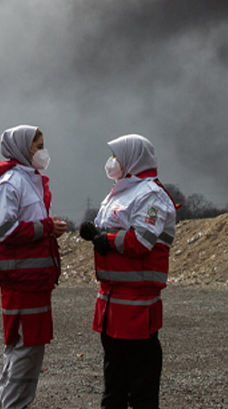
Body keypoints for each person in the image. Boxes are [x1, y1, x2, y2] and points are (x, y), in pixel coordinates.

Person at [79, 133, 178, 409]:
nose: (112, 162)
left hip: (137, 306)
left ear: (133, 159)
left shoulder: (151, 194)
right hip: (111, 303)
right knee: (114, 388)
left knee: (142, 389)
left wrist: (105, 240)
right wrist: (93, 233)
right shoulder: (119, 192)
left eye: (117, 157)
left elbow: (142, 240)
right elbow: (108, 231)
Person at [0, 125, 67, 409]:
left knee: (26, 355)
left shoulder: (31, 182)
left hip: (35, 285)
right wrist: (46, 227)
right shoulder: (10, 184)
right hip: (22, 286)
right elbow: (4, 230)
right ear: (20, 148)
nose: (42, 152)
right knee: (23, 355)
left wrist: (48, 229)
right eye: (37, 146)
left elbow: (25, 227)